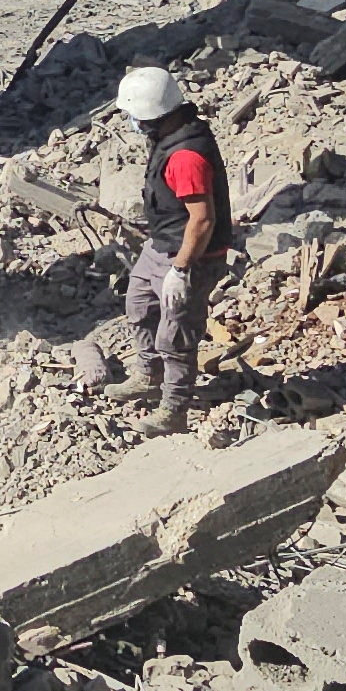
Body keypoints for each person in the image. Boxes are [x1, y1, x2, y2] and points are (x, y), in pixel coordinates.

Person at [114, 64, 235, 427]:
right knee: (139, 306)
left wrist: (181, 270)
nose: (133, 123)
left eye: (135, 116)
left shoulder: (185, 157)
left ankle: (173, 409)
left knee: (176, 335)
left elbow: (202, 220)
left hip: (190, 255)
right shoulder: (170, 135)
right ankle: (149, 375)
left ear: (154, 115)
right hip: (162, 244)